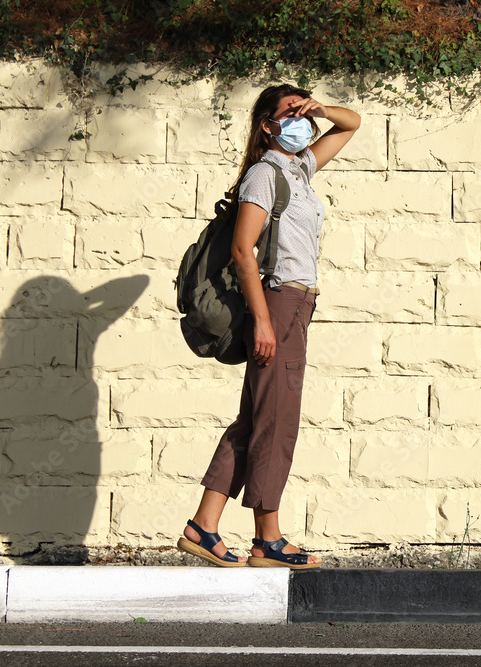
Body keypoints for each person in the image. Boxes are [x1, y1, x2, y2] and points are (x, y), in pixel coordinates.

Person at [177, 84, 360, 569]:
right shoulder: (264, 174)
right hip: (277, 302)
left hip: (297, 304)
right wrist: (261, 320)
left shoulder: (298, 168)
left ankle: (203, 527)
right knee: (276, 421)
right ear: (267, 125)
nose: (303, 121)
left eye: (305, 113)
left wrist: (318, 108)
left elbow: (352, 123)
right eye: (291, 113)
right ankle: (268, 539)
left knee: (257, 418)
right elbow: (242, 251)